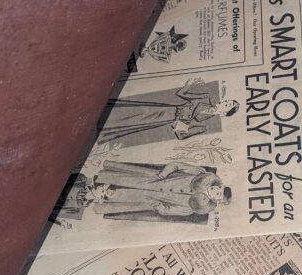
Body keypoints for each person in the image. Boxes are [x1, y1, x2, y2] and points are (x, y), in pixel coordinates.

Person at [98, 84, 239, 146]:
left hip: (167, 119)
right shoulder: (204, 97)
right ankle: (101, 112)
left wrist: (179, 126)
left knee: (135, 122)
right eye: (227, 101)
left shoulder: (204, 125)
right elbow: (181, 94)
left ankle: (102, 125)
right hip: (167, 109)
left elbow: (181, 136)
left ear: (224, 114)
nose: (225, 102)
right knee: (136, 110)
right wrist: (189, 85)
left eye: (228, 105)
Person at [92, 158, 232, 220]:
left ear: (215, 201)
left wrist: (159, 207)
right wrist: (164, 174)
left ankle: (93, 197)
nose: (215, 192)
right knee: (118, 178)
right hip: (154, 179)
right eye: (219, 190)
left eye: (217, 196)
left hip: (151, 198)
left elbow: (169, 211)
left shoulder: (190, 209)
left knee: (119, 195)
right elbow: (176, 165)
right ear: (219, 185)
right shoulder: (200, 174)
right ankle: (95, 178)